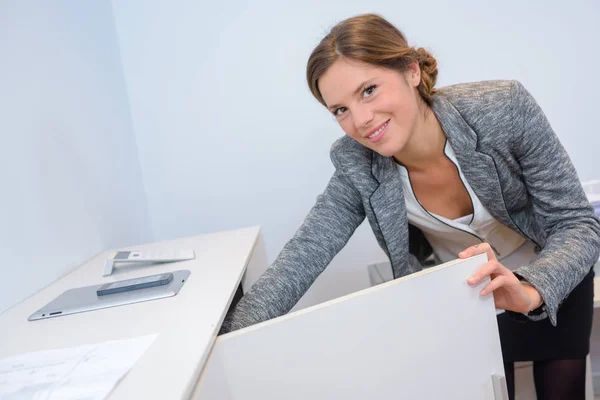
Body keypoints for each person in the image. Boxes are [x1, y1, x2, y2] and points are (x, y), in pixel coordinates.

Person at [219, 13, 600, 399]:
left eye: (368, 90)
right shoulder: (358, 164)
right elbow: (302, 257)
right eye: (340, 110)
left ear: (411, 71)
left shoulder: (502, 108)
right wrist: (216, 349)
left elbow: (577, 223)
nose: (361, 120)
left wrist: (529, 288)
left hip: (552, 278)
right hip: (468, 299)